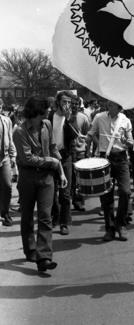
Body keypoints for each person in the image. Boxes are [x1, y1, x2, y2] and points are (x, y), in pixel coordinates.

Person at [13, 96, 67, 272]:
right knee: (27, 216)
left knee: (45, 215)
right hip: (27, 177)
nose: (47, 114)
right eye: (44, 111)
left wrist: (61, 170)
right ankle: (30, 250)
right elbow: (27, 158)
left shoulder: (47, 125)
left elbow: (53, 147)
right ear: (35, 113)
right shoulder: (19, 132)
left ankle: (44, 257)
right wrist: (50, 161)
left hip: (47, 178)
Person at [88, 100, 133, 241]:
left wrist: (127, 142)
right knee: (106, 195)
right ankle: (110, 228)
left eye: (112, 104)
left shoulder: (126, 120)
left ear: (119, 107)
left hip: (121, 158)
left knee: (125, 192)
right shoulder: (99, 117)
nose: (109, 105)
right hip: (104, 158)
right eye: (109, 103)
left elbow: (131, 141)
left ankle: (121, 224)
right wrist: (88, 143)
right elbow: (91, 133)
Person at [49, 91, 78, 235]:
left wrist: (68, 119)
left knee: (65, 193)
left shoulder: (71, 118)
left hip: (65, 157)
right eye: (64, 101)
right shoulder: (49, 117)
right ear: (58, 102)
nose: (66, 105)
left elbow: (75, 136)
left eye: (69, 102)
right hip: (51, 158)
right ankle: (56, 216)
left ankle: (64, 222)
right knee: (52, 191)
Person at [69, 95, 90, 211]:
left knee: (80, 179)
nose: (74, 106)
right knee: (70, 178)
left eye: (76, 104)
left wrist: (87, 152)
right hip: (68, 152)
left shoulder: (84, 118)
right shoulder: (65, 118)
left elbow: (87, 136)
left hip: (80, 152)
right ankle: (68, 201)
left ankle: (79, 201)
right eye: (72, 103)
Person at [0, 98, 17, 226]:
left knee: (7, 186)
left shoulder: (6, 120)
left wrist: (13, 156)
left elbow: (10, 139)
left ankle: (5, 213)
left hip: (4, 158)